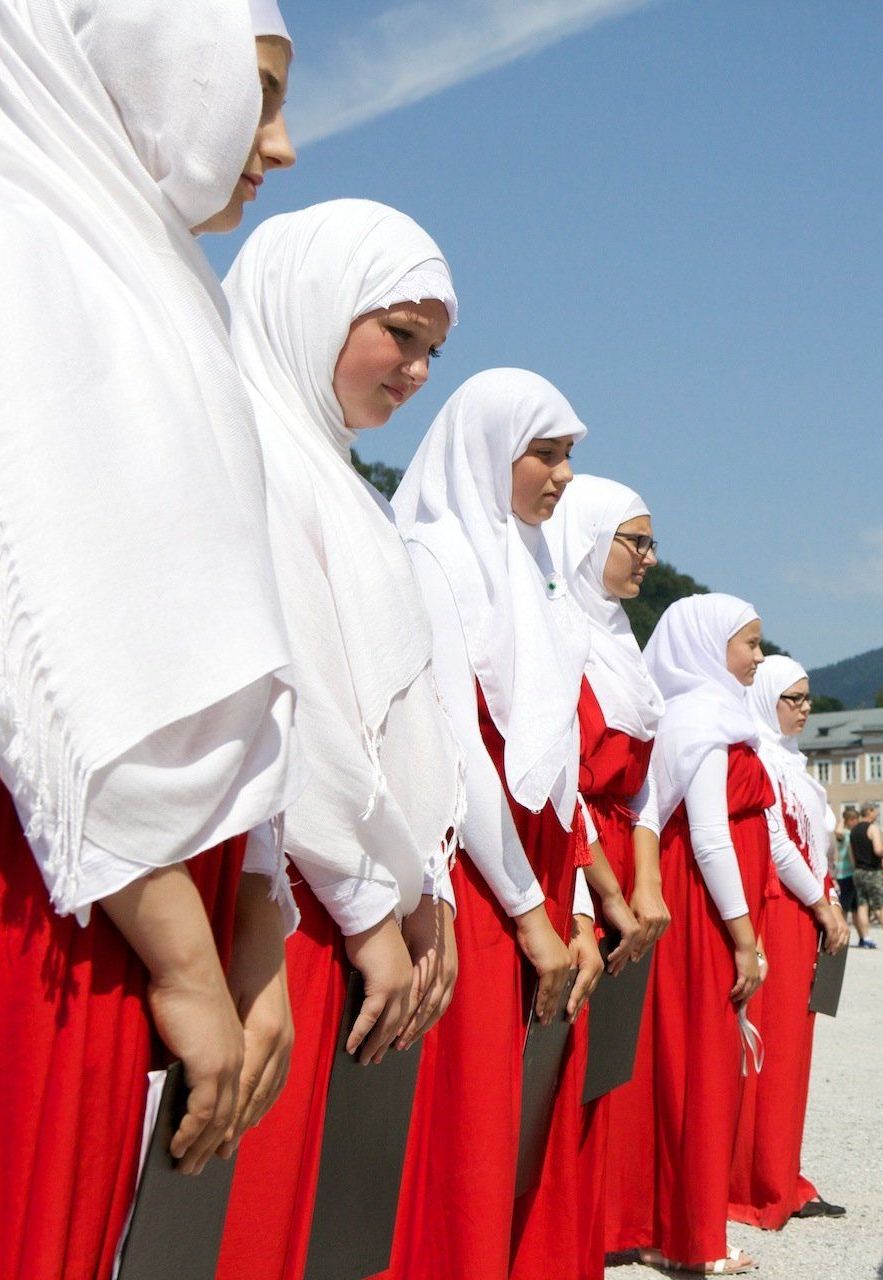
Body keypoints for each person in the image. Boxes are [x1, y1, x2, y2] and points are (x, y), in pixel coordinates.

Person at [0, 3, 303, 1274]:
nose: (280, 145)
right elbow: (44, 639)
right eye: (259, 91)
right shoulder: (31, 260)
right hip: (64, 892)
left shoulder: (149, 278)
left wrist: (253, 911)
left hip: (147, 893)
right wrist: (188, 954)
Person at [215, 198, 467, 1280]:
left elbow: (406, 713)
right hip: (301, 903)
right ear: (312, 306)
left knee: (319, 1217)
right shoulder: (260, 453)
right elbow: (302, 702)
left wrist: (426, 886)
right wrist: (374, 906)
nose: (415, 372)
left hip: (361, 894)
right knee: (255, 1213)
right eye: (399, 335)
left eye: (431, 351)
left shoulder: (337, 477)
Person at [385, 369, 639, 1279]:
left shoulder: (523, 572)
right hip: (476, 880)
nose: (563, 474)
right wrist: (533, 916)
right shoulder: (431, 558)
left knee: (510, 1132)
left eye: (570, 454)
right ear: (489, 451)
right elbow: (462, 756)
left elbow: (557, 768)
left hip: (531, 882)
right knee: (464, 1134)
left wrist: (568, 903)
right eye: (546, 452)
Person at [515, 474, 670, 1279]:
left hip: (614, 859)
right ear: (587, 539)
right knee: (551, 1070)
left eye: (649, 542)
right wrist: (599, 894)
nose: (648, 557)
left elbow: (646, 781)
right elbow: (561, 780)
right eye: (634, 540)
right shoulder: (555, 631)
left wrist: (644, 886)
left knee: (593, 1076)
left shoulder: (619, 639)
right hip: (570, 859)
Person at [632, 595, 776, 1275]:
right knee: (702, 1067)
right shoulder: (701, 717)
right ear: (706, 645)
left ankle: (680, 1224)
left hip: (708, 906)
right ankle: (693, 1238)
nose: (757, 655)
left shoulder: (715, 713)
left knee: (694, 1064)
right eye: (748, 643)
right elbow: (712, 838)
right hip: (703, 909)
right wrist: (743, 936)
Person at [730, 658, 850, 1230]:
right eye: (792, 698)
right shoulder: (763, 762)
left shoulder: (791, 763)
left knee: (793, 1052)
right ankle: (760, 1184)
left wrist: (829, 901)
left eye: (807, 698)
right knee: (772, 1051)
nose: (804, 708)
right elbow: (778, 845)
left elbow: (814, 848)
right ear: (765, 698)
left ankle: (782, 1173)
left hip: (805, 909)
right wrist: (821, 904)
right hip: (782, 908)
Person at [849, 804, 883, 950]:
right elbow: (878, 850)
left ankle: (866, 938)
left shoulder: (853, 831)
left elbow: (851, 855)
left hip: (859, 872)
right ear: (869, 812)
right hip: (873, 871)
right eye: (876, 811)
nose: (877, 814)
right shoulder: (872, 828)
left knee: (862, 905)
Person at [834, 804, 860, 934]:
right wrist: (843, 820)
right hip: (844, 874)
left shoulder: (855, 833)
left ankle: (862, 937)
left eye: (856, 818)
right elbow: (837, 832)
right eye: (852, 819)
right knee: (844, 907)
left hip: (855, 873)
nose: (855, 821)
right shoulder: (844, 833)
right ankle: (841, 932)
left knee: (856, 908)